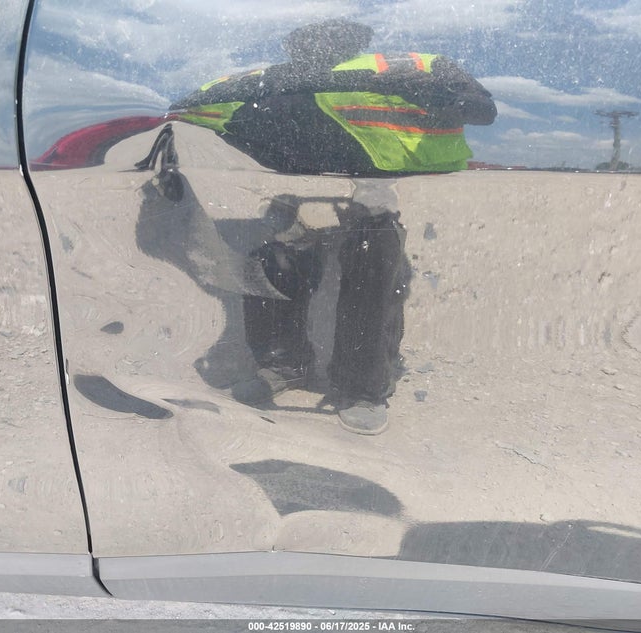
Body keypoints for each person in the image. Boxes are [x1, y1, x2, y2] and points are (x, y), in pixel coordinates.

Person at [171, 19, 496, 435]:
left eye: (330, 36)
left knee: (372, 272)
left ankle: (362, 389)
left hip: (372, 198)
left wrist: (444, 98)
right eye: (305, 38)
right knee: (273, 264)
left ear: (356, 41)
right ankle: (284, 365)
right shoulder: (271, 79)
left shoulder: (414, 66)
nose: (317, 42)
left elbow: (484, 111)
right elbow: (190, 110)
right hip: (292, 196)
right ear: (293, 47)